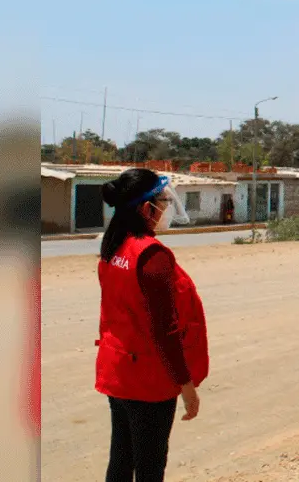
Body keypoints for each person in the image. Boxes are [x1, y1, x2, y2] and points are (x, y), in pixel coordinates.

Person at [95, 169, 210, 482]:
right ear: (147, 209)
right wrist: (186, 386)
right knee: (149, 467)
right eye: (164, 202)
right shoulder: (152, 256)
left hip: (118, 371)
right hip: (148, 380)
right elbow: (166, 330)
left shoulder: (113, 247)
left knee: (121, 460)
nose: (167, 209)